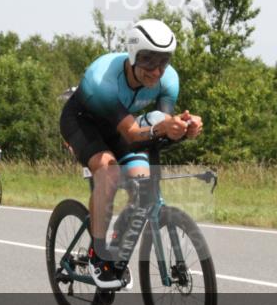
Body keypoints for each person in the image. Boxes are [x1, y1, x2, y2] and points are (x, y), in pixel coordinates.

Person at [59, 19, 203, 289]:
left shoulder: (168, 79)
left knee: (141, 183)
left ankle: (117, 241)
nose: (157, 71)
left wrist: (185, 128)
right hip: (83, 123)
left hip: (123, 126)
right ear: (134, 55)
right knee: (109, 171)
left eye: (164, 62)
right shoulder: (102, 79)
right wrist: (161, 128)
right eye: (149, 62)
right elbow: (134, 134)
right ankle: (98, 254)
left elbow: (161, 121)